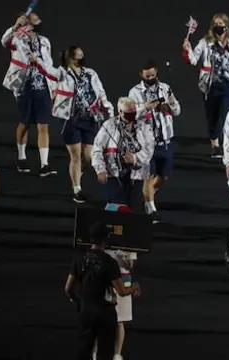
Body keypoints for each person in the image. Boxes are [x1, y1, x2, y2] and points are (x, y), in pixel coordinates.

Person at [42, 46, 113, 203]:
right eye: (79, 53)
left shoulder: (90, 73)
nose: (83, 55)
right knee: (75, 156)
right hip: (70, 119)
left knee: (88, 156)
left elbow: (100, 92)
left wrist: (108, 109)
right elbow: (48, 71)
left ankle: (77, 173)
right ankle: (77, 190)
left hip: (88, 118)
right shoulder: (62, 73)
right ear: (72, 58)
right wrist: (36, 60)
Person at [64, 221, 141, 360]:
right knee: (105, 353)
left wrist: (78, 301)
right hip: (105, 313)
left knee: (84, 350)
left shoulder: (79, 260)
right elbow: (122, 291)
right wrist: (135, 287)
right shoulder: (109, 262)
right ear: (106, 239)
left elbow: (68, 288)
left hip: (86, 312)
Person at [183, 13, 229, 158]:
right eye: (216, 24)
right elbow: (193, 60)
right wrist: (187, 49)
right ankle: (215, 146)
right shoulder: (205, 42)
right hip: (211, 84)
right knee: (213, 115)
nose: (219, 26)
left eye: (221, 23)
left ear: (227, 25)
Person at [1, 12, 58, 176]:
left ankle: (44, 165)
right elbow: (4, 41)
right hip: (25, 86)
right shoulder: (17, 39)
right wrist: (14, 26)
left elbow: (49, 63)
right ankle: (21, 156)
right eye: (35, 18)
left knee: (43, 125)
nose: (38, 19)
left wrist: (54, 86)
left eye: (39, 18)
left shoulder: (45, 41)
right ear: (27, 21)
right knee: (25, 123)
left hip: (43, 86)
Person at [128, 60, 181, 223]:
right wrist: (148, 106)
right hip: (146, 141)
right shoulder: (135, 92)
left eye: (153, 74)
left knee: (163, 177)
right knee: (148, 176)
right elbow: (131, 113)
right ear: (141, 75)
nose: (150, 77)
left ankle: (147, 194)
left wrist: (170, 105)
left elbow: (177, 111)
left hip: (165, 140)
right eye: (147, 75)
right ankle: (150, 208)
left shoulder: (165, 88)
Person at [92, 97, 155, 208]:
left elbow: (149, 149)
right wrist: (100, 169)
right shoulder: (108, 126)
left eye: (133, 111)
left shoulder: (144, 127)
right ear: (120, 111)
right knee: (116, 205)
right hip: (114, 173)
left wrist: (135, 158)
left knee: (134, 207)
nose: (132, 114)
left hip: (136, 175)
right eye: (128, 112)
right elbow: (97, 149)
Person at [101, 204, 138, 360]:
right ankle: (95, 353)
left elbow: (131, 264)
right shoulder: (102, 236)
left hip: (123, 279)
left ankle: (117, 354)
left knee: (120, 320)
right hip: (104, 280)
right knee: (101, 320)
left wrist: (125, 260)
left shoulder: (131, 238)